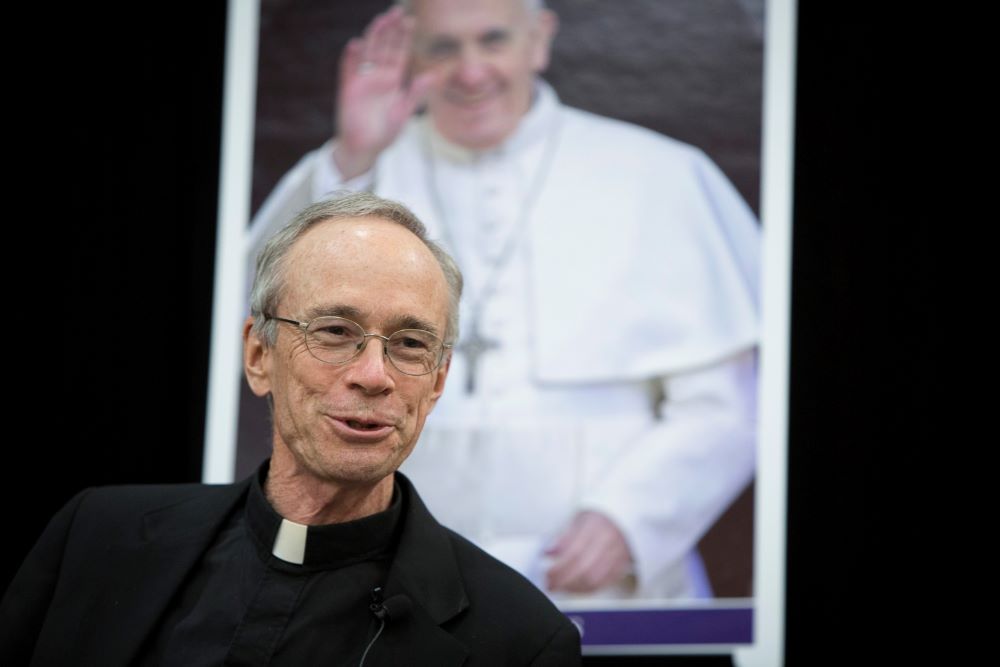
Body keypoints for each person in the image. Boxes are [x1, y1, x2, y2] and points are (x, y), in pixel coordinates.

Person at [247, 0, 760, 600]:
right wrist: (351, 156)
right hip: (390, 575)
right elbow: (259, 316)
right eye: (443, 47)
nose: (470, 73)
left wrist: (630, 521)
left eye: (493, 40)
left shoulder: (662, 174)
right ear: (412, 50)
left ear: (539, 40)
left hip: (601, 585)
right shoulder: (359, 169)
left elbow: (727, 407)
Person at [0, 193, 582, 666]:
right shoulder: (97, 539)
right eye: (334, 331)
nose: (374, 376)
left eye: (409, 344)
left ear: (435, 382)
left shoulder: (520, 640)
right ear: (258, 354)